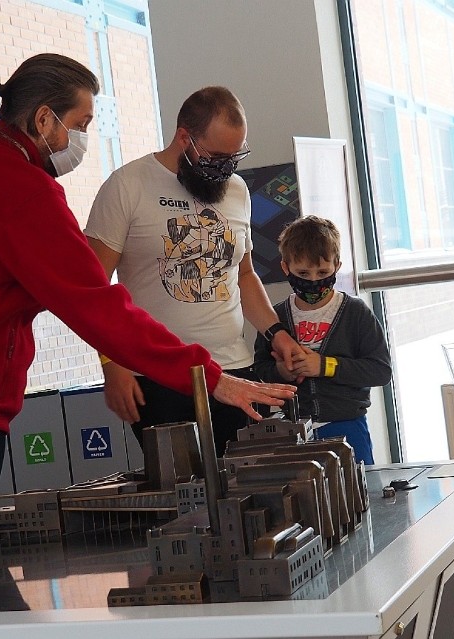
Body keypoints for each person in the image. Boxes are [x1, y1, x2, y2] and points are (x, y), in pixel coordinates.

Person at [0, 55, 295, 556]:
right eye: (80, 125)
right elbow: (96, 302)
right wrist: (207, 375)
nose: (79, 141)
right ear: (44, 119)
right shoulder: (21, 187)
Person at [85, 86, 303, 456]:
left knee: (252, 488)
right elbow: (91, 288)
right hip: (160, 378)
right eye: (217, 157)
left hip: (236, 367)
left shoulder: (236, 190)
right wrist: (112, 363)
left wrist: (276, 333)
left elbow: (244, 275)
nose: (226, 169)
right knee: (188, 495)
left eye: (235, 157)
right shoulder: (128, 186)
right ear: (184, 136)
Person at [253, 216, 391, 465]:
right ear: (286, 268)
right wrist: (281, 372)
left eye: (323, 272)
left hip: (348, 427)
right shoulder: (275, 318)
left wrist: (324, 366)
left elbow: (380, 370)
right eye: (303, 273)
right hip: (293, 433)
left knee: (357, 496)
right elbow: (260, 369)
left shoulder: (356, 312)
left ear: (337, 266)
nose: (314, 280)